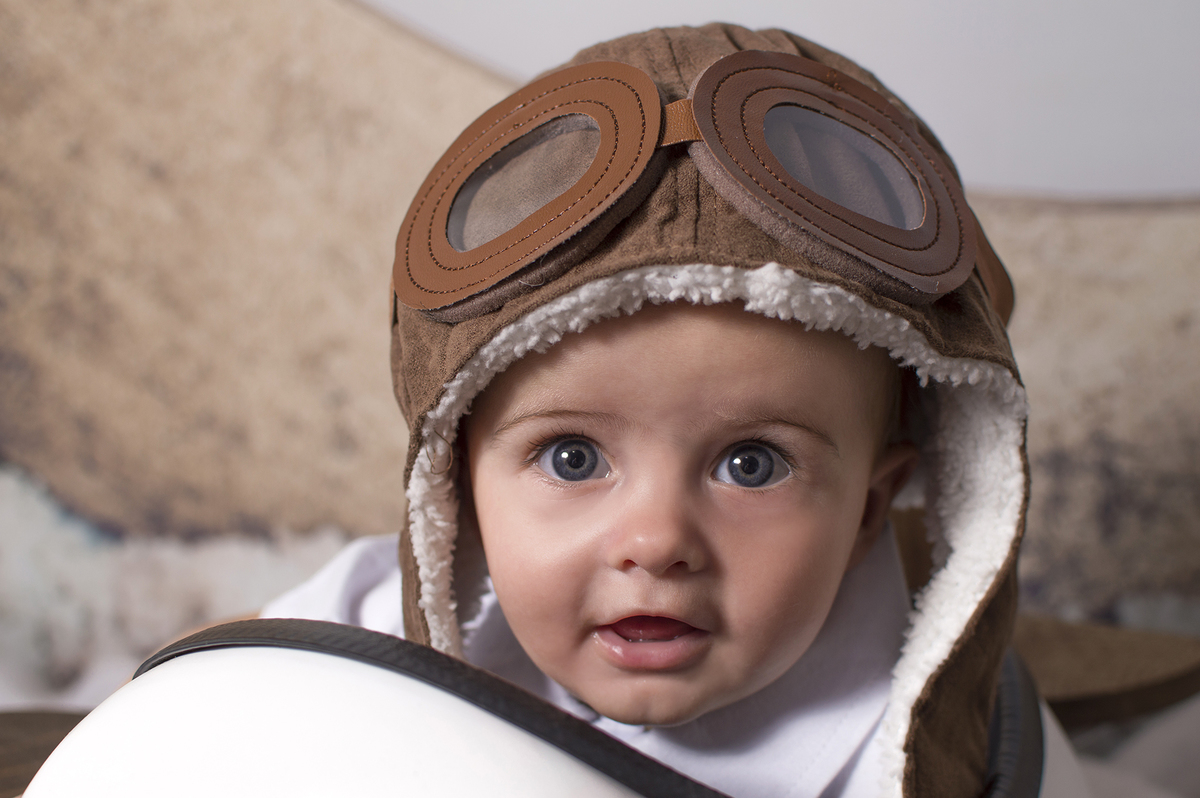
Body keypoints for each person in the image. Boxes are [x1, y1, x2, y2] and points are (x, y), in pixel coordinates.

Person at [263, 23, 1083, 797]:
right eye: (572, 457)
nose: (656, 544)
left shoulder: (943, 755)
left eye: (750, 464)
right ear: (457, 489)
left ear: (868, 509)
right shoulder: (349, 645)